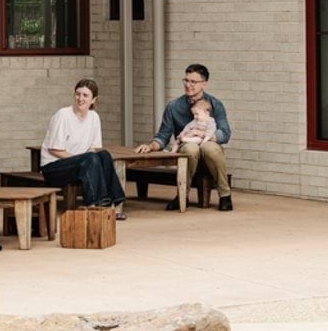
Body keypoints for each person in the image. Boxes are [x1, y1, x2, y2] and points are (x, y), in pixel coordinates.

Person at [137, 63, 234, 211]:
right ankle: (182, 196)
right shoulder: (174, 106)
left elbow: (225, 133)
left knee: (210, 148)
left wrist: (204, 136)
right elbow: (163, 135)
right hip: (188, 148)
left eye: (193, 82)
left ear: (204, 84)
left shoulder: (216, 105)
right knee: (190, 148)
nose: (188, 85)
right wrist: (150, 146)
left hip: (209, 146)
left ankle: (225, 196)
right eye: (186, 80)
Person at [40, 78, 127, 217]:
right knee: (91, 158)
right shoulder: (63, 115)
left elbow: (93, 149)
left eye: (85, 95)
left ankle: (116, 204)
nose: (80, 98)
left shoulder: (94, 117)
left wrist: (85, 160)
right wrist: (82, 160)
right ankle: (95, 204)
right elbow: (54, 150)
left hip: (79, 164)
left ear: (93, 100)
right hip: (53, 167)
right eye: (77, 94)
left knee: (104, 155)